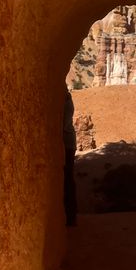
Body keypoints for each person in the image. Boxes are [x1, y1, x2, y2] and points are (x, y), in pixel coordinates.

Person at [63, 86, 78, 227]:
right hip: (69, 143)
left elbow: (64, 125)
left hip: (67, 145)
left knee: (67, 178)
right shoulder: (67, 99)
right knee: (67, 178)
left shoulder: (66, 101)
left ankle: (70, 216)